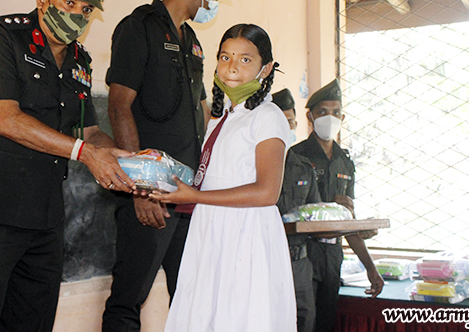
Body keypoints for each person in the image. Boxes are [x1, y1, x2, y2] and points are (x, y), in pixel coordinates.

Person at [0, 0, 135, 332]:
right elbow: (8, 120)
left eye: (86, 9)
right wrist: (86, 153)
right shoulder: (2, 37)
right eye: (69, 3)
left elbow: (89, 132)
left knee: (33, 322)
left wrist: (125, 157)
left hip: (45, 216)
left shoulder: (81, 61)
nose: (77, 16)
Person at [103, 0, 241, 331]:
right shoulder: (139, 27)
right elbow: (118, 106)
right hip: (151, 190)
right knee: (129, 297)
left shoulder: (192, 41)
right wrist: (141, 189)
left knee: (190, 294)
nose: (212, 4)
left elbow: (201, 112)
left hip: (187, 192)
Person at [151, 24, 296, 332]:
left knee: (239, 316)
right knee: (207, 314)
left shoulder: (266, 116)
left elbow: (267, 192)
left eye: (245, 60)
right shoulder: (225, 115)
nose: (232, 67)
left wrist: (195, 197)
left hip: (246, 233)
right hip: (213, 227)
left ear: (266, 67)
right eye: (225, 57)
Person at [291, 79, 384, 332]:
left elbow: (348, 221)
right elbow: (289, 215)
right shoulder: (295, 157)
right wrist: (328, 208)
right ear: (310, 116)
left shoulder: (345, 162)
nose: (329, 118)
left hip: (333, 256)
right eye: (322, 112)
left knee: (326, 323)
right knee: (303, 322)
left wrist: (371, 268)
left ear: (342, 116)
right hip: (303, 254)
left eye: (334, 113)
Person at [272, 88, 322, 332]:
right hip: (267, 258)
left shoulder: (303, 167)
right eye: (281, 122)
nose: (287, 128)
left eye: (291, 122)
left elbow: (315, 212)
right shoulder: (250, 164)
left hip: (299, 260)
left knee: (305, 317)